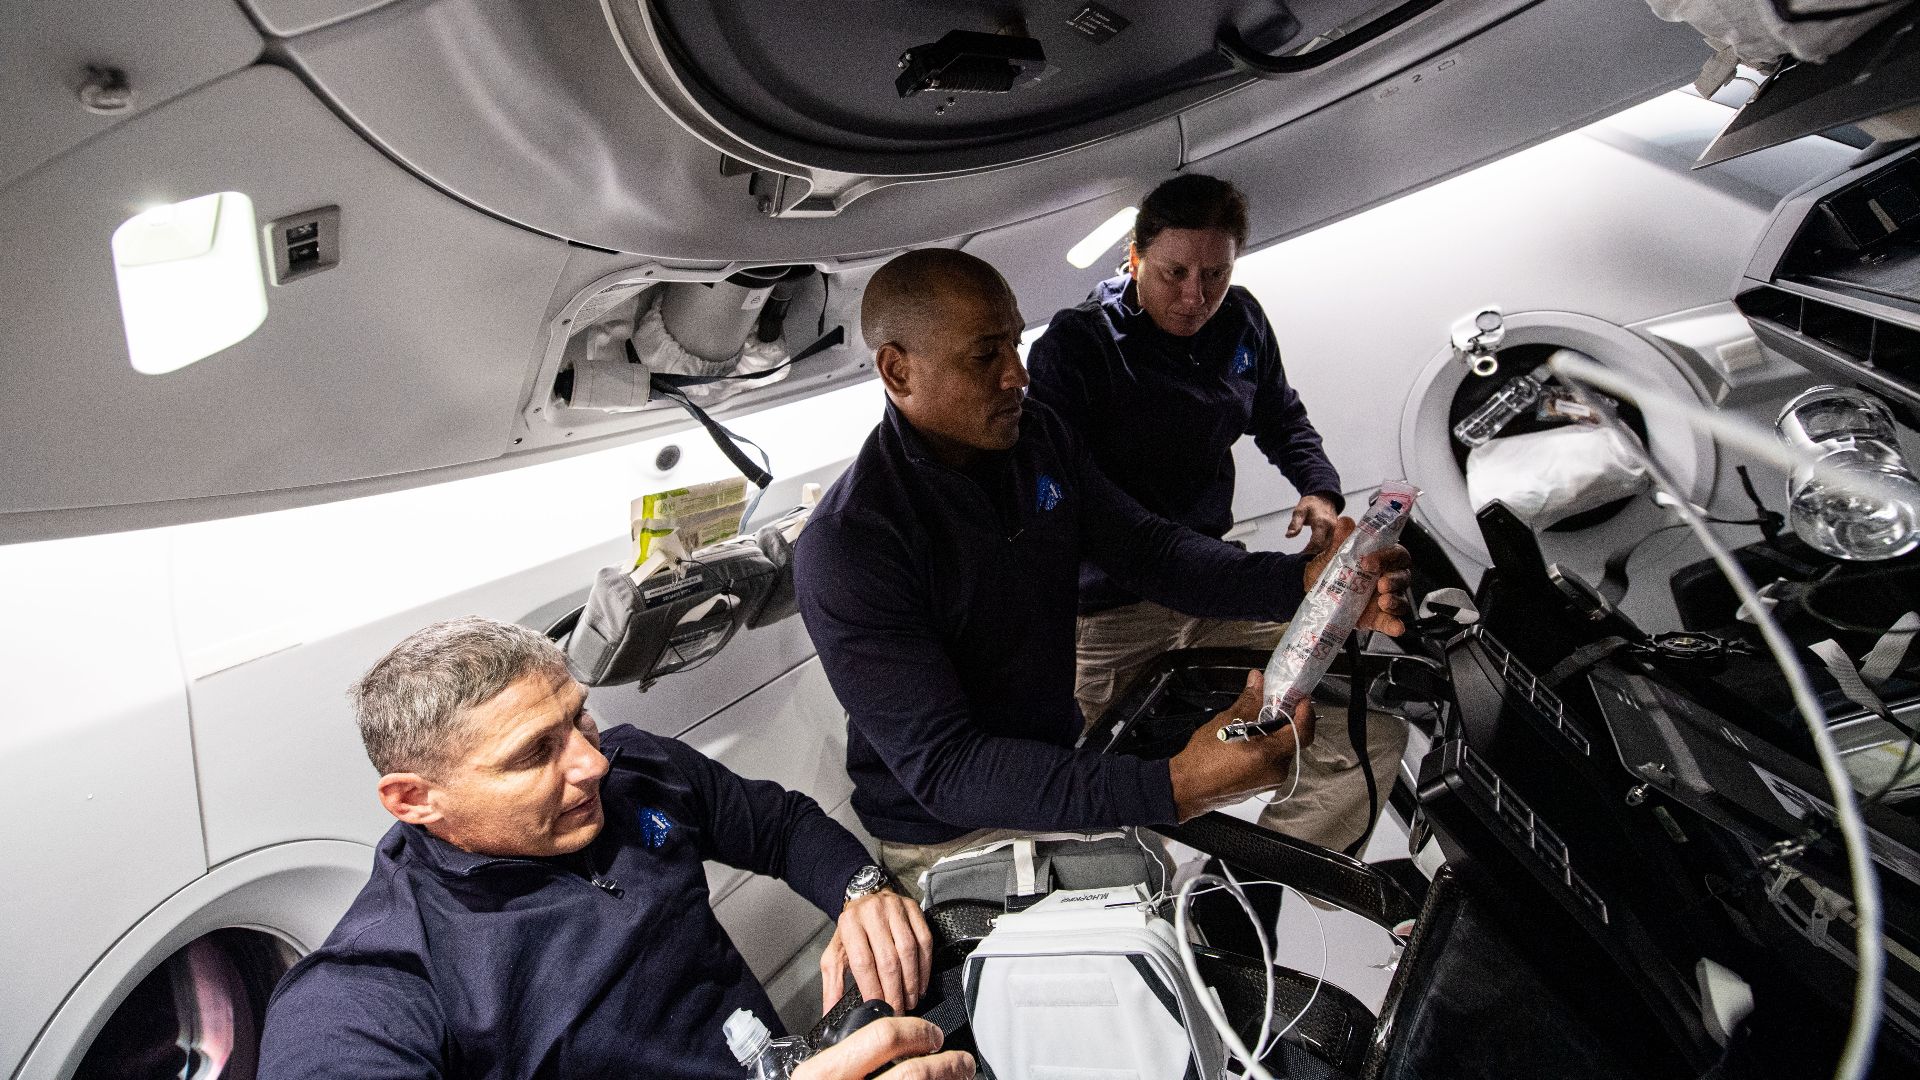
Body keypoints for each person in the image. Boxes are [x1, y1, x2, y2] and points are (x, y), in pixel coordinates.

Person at [793, 249, 1411, 893]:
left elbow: (1148, 551)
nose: (1018, 376)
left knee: (1346, 750)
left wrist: (1300, 584)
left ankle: (1230, 908)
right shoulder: (851, 545)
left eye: (1016, 344)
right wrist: (1173, 787)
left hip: (1057, 754)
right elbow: (950, 770)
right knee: (1148, 948)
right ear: (898, 371)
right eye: (985, 356)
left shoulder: (1035, 439)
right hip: (952, 837)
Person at [259, 616, 968, 1080]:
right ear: (416, 800)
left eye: (578, 718)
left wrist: (861, 889)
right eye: (535, 752)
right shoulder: (374, 983)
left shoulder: (635, 772)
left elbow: (780, 825)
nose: (591, 763)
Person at [1026, 173, 1410, 853]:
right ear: (1136, 257)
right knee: (1081, 799)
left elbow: (1279, 415)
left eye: (1216, 273)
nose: (1195, 295)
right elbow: (1079, 507)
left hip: (1211, 595)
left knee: (1369, 732)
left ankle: (1261, 879)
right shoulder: (1077, 347)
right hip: (1111, 610)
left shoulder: (1240, 320)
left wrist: (1318, 488)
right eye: (1174, 272)